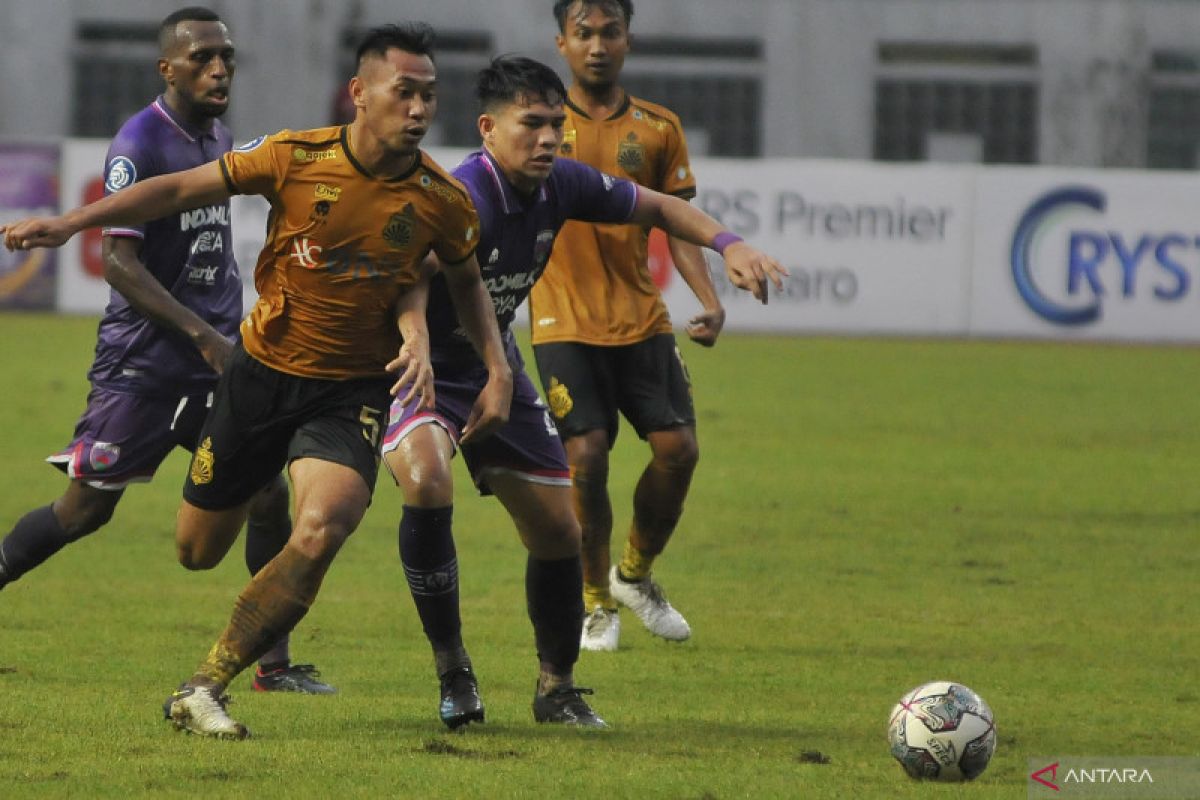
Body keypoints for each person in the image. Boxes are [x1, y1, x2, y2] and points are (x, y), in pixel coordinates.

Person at [2, 21, 513, 740]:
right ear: (360, 94)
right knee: (196, 550)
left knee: (321, 525)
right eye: (406, 92)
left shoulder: (443, 201)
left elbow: (464, 283)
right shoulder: (292, 156)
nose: (422, 108)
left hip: (351, 391)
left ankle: (207, 683)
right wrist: (70, 222)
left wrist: (496, 369)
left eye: (430, 94)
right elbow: (174, 189)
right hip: (257, 378)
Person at [380, 55, 784, 729]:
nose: (548, 140)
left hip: (492, 360)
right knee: (426, 482)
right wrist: (418, 345)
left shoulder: (561, 183)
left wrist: (728, 243)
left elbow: (654, 203)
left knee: (560, 531)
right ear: (488, 128)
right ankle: (454, 672)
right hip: (423, 365)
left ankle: (556, 687)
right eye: (530, 125)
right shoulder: (462, 196)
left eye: (554, 126)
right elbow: (412, 278)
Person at [0, 6, 333, 694]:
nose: (219, 69)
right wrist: (202, 335)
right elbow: (119, 265)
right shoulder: (138, 144)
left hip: (218, 362)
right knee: (84, 511)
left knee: (269, 494)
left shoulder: (219, 137)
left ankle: (273, 666)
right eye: (204, 57)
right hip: (148, 368)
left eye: (228, 58)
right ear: (167, 67)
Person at [530, 0, 739, 651]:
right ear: (561, 42)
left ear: (628, 40)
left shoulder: (657, 128)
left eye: (609, 32)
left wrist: (707, 296)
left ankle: (634, 576)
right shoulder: (536, 124)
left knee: (680, 451)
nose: (597, 45)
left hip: (641, 320)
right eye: (583, 33)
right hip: (561, 318)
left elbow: (675, 225)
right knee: (586, 456)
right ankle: (595, 603)